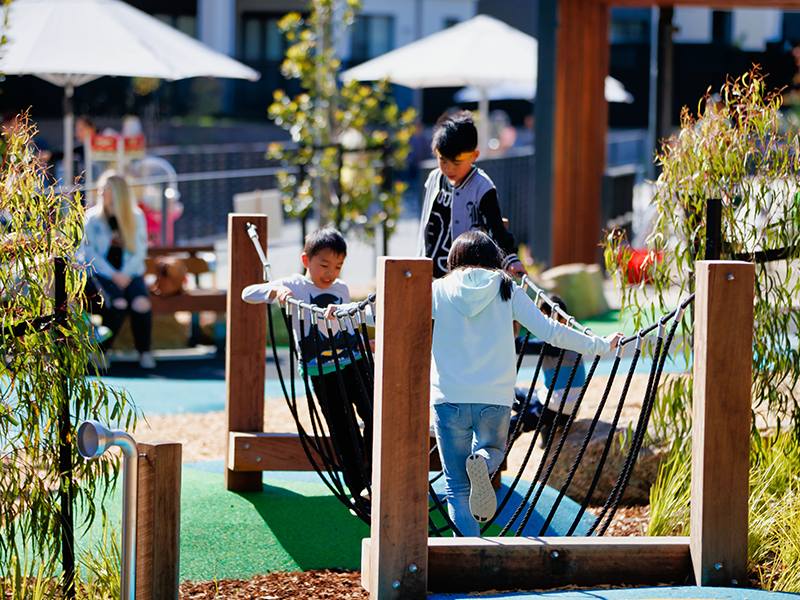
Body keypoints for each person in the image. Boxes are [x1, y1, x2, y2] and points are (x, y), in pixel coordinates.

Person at [430, 231, 622, 536]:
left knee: (456, 487)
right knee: (492, 449)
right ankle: (483, 460)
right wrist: (599, 345)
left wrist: (338, 316)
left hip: (449, 397)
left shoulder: (437, 290)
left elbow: (388, 312)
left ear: (454, 260)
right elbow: (551, 331)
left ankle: (464, 554)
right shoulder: (508, 288)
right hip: (495, 396)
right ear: (494, 260)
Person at [241, 226, 373, 503]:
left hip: (354, 364)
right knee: (343, 428)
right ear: (306, 261)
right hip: (323, 373)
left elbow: (349, 322)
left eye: (338, 266)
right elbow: (247, 293)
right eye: (324, 265)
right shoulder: (295, 286)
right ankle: (360, 490)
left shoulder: (341, 289)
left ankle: (376, 474)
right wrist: (276, 291)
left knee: (376, 414)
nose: (330, 273)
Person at [417, 110, 527, 279]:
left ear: (475, 156)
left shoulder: (481, 187)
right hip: (430, 273)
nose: (448, 169)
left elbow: (496, 228)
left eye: (456, 163)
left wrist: (510, 259)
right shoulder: (434, 179)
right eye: (443, 161)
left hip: (464, 277)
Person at [79, 171, 155, 369]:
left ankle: (144, 352)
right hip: (102, 275)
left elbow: (139, 251)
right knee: (118, 303)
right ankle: (102, 352)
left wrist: (124, 275)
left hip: (130, 273)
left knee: (141, 304)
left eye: (106, 188)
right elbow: (89, 253)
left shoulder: (136, 216)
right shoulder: (92, 218)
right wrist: (113, 275)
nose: (101, 191)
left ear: (118, 192)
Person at [510, 294, 584, 446]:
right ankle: (545, 427)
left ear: (559, 320)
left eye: (543, 318)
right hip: (547, 398)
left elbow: (518, 346)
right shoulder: (559, 337)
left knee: (511, 425)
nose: (539, 323)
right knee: (507, 393)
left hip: (558, 410)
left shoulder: (562, 341)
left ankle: (546, 425)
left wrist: (512, 317)